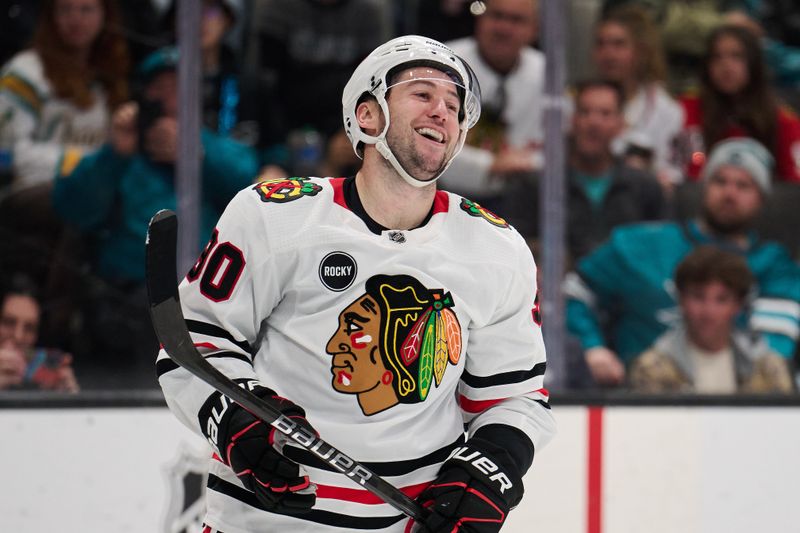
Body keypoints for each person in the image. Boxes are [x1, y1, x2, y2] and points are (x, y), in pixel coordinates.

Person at [158, 35, 556, 532]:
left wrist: (489, 472)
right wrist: (235, 419)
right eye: (423, 93)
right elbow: (194, 340)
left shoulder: (497, 249)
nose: (443, 112)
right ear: (367, 116)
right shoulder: (275, 216)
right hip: (266, 520)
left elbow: (514, 397)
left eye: (455, 106)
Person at [52, 46, 260, 387]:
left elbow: (248, 185)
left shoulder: (213, 147)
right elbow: (74, 208)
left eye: (178, 87)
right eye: (157, 87)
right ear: (141, 94)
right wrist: (115, 153)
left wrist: (196, 155)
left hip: (207, 299)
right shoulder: (121, 150)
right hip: (128, 300)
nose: (168, 97)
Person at [565, 137, 800, 387]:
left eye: (743, 185)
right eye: (720, 181)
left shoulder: (776, 267)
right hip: (638, 403)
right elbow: (571, 293)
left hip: (738, 410)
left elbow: (773, 355)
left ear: (762, 199)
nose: (729, 193)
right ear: (703, 186)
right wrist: (591, 348)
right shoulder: (640, 245)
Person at [527, 79, 667, 264]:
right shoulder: (537, 185)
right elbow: (519, 245)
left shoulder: (646, 187)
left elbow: (661, 249)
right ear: (573, 120)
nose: (594, 122)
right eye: (585, 112)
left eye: (605, 114)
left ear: (621, 124)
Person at [0, 0, 130, 193]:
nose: (75, 20)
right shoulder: (24, 72)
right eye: (65, 9)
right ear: (51, 16)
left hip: (95, 189)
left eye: (86, 10)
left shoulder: (111, 76)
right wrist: (84, 164)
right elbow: (9, 154)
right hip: (30, 191)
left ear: (106, 16)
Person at [630, 246, 794, 393]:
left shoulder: (767, 367)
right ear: (681, 299)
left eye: (722, 299)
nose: (709, 312)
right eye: (698, 297)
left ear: (738, 305)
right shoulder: (651, 368)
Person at [440, 0, 544, 218]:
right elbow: (429, 144)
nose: (504, 28)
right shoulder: (445, 62)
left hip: (523, 201)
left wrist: (527, 162)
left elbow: (558, 149)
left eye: (516, 20)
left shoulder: (546, 73)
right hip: (448, 196)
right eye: (496, 16)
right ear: (479, 19)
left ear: (534, 29)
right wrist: (490, 165)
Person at [677, 24, 800, 183]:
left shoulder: (781, 118)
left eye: (737, 56)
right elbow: (693, 164)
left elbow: (794, 181)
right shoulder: (687, 109)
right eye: (717, 57)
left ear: (753, 63)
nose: (726, 66)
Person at [592, 5, 685, 191]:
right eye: (601, 44)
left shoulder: (666, 109)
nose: (608, 54)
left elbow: (673, 178)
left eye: (619, 44)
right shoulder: (579, 101)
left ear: (641, 51)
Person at [0, 274, 78, 391]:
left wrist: (66, 398)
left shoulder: (43, 382)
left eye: (29, 328)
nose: (18, 336)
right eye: (9, 323)